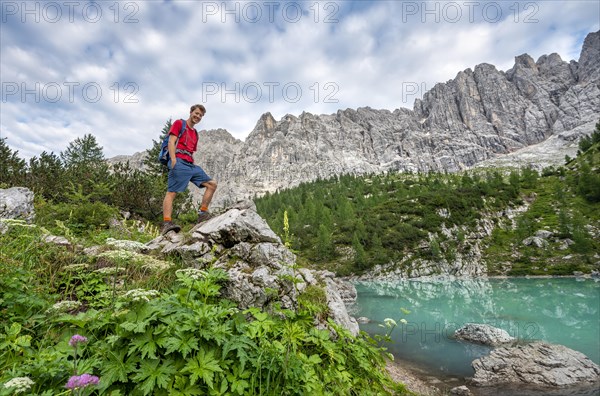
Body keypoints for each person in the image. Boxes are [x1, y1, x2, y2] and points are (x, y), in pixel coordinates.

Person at [161, 104, 217, 235]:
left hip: (190, 165)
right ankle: (166, 223)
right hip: (179, 162)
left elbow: (191, 151)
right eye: (196, 113)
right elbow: (171, 141)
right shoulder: (179, 123)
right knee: (172, 192)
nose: (198, 116)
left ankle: (202, 213)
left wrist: (192, 164)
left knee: (212, 184)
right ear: (191, 112)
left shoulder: (195, 133)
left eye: (200, 115)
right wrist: (173, 160)